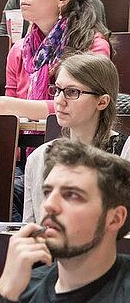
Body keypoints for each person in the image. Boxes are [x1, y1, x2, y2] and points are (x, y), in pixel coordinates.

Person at [0, 139, 130, 303]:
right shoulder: (15, 287)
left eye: (72, 195)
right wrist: (5, 290)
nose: (49, 205)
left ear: (115, 218)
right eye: (47, 192)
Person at [24, 54, 128, 222]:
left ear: (102, 102)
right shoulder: (39, 157)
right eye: (57, 90)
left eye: (72, 92)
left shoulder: (126, 152)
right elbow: (30, 228)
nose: (59, 100)